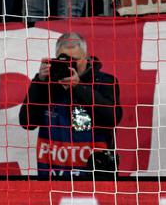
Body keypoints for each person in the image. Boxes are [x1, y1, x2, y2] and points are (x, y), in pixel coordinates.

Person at [19, 32, 123, 178]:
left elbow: (112, 119)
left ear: (86, 57)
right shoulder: (47, 83)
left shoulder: (104, 81)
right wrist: (39, 81)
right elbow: (27, 123)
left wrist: (78, 87)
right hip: (53, 175)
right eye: (65, 60)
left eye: (75, 60)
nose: (70, 65)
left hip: (94, 176)